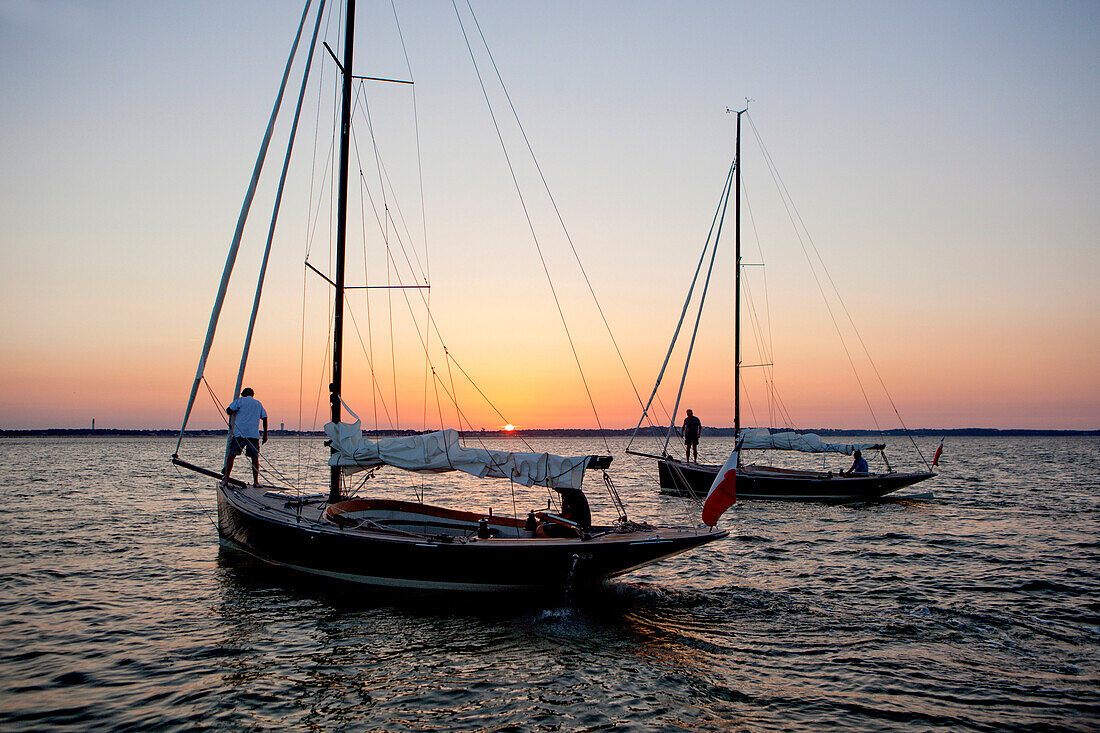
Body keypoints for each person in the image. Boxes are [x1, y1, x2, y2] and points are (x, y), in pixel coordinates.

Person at [223, 387, 268, 487]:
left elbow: (229, 410)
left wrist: (234, 412)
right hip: (253, 435)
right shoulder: (258, 403)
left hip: (240, 434)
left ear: (243, 394)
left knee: (231, 456)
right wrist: (265, 434)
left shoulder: (239, 401)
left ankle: (226, 479)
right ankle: (256, 482)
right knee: (254, 458)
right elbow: (264, 418)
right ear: (253, 395)